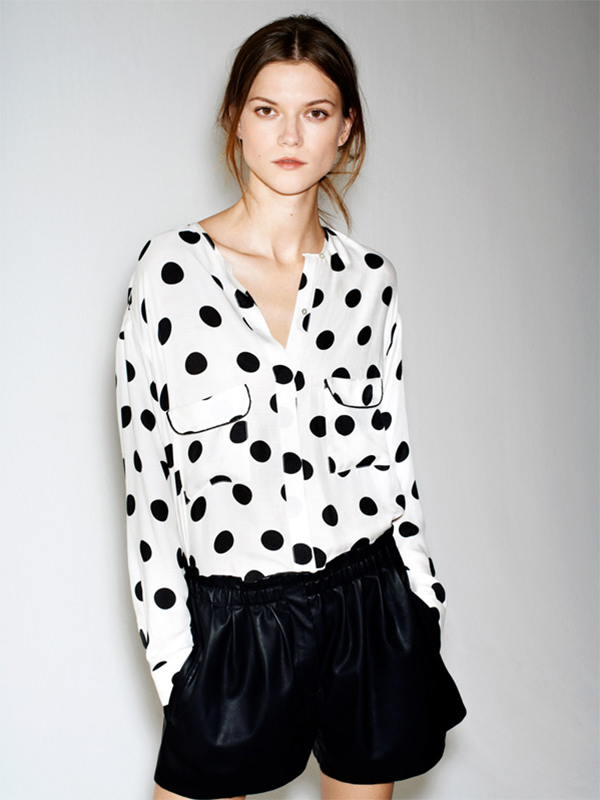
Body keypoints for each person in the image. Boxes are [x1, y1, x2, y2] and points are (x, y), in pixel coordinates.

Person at [115, 13, 467, 800]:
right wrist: (175, 661)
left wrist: (422, 600)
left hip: (369, 608)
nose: (290, 134)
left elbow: (393, 456)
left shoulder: (369, 281)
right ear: (235, 119)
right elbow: (148, 484)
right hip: (237, 621)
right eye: (268, 108)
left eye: (315, 112)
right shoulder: (169, 274)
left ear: (345, 130)